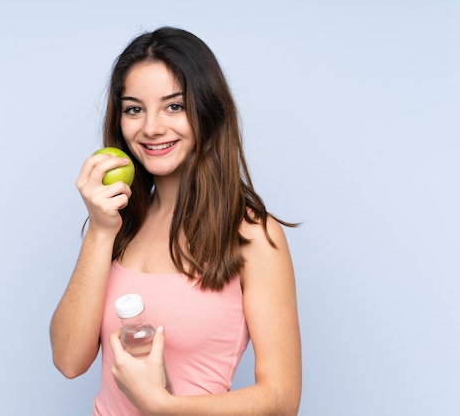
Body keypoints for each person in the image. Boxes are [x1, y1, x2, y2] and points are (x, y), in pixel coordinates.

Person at [50, 26, 302, 415]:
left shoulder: (252, 235)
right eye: (134, 108)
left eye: (174, 106)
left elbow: (282, 401)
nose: (151, 127)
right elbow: (69, 360)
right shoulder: (117, 224)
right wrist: (100, 231)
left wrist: (160, 406)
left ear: (208, 110)